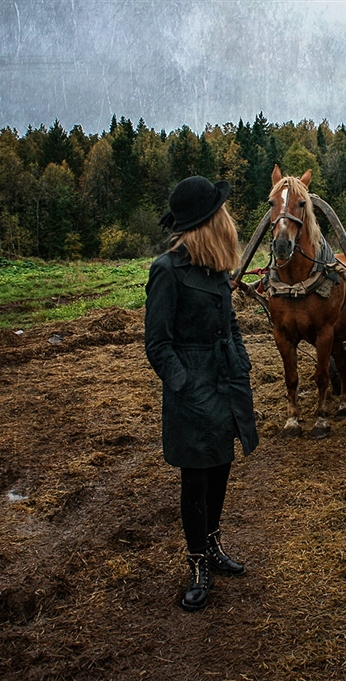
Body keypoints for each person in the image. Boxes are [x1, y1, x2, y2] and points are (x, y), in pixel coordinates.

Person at [145, 176, 259, 612]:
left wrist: (241, 362)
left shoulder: (217, 269)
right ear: (207, 222)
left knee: (222, 467)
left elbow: (229, 323)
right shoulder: (167, 270)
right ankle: (197, 564)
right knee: (195, 479)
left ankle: (213, 546)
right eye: (221, 213)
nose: (229, 220)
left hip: (226, 381)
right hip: (192, 389)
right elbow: (157, 343)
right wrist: (185, 386)